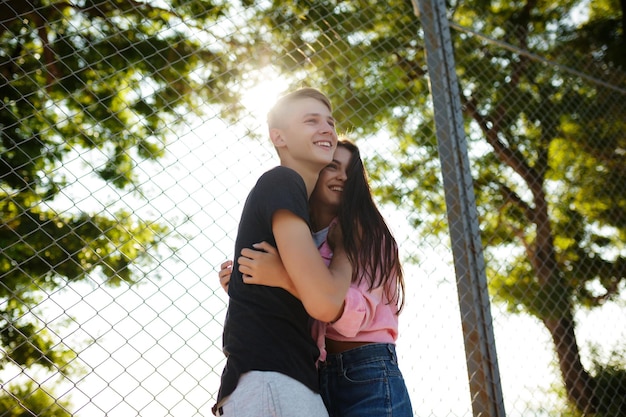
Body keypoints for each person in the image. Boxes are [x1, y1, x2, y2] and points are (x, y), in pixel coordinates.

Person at [220, 139, 414, 417]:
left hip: (367, 370)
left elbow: (352, 318)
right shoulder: (298, 235)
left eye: (351, 172)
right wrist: (244, 284)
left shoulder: (368, 235)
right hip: (317, 373)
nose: (343, 177)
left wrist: (285, 278)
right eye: (332, 166)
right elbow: (292, 304)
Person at [212, 87, 353, 417]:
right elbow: (326, 301)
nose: (326, 129)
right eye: (311, 121)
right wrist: (347, 249)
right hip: (271, 382)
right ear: (280, 137)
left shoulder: (296, 198)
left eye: (330, 123)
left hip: (276, 384)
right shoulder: (283, 182)